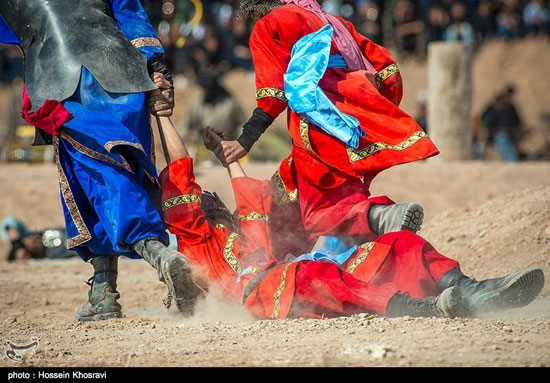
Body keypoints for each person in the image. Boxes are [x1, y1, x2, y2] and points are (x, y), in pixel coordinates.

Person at [152, 72, 545, 320]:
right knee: (312, 272)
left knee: (400, 245)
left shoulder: (238, 227)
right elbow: (179, 170)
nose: (210, 198)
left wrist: (226, 156)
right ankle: (420, 308)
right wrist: (162, 116)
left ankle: (477, 291)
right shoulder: (196, 241)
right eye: (200, 198)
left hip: (306, 270)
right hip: (270, 291)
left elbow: (248, 199)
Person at [0, 0, 203, 321]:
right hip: (123, 76)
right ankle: (102, 293)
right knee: (114, 177)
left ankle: (163, 258)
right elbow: (131, 15)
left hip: (66, 81)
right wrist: (158, 68)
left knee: (97, 180)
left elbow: (16, 28)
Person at [219, 0, 436, 248]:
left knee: (318, 212)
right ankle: (385, 237)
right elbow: (387, 70)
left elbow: (273, 95)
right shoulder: (332, 20)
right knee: (316, 192)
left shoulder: (268, 25)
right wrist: (371, 108)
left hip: (317, 120)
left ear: (256, 9)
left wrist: (244, 141)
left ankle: (383, 216)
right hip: (355, 116)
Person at [1, 216, 77, 261]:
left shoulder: (39, 234)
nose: (34, 238)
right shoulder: (52, 255)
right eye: (33, 242)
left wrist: (16, 242)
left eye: (30, 237)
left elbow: (9, 221)